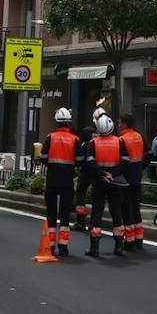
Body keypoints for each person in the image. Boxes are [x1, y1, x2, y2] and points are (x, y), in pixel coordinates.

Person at [40, 107, 82, 255]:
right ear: (68, 123)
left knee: (51, 213)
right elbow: (79, 160)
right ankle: (63, 246)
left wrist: (51, 164)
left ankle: (50, 246)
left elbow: (43, 157)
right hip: (67, 180)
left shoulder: (50, 137)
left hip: (52, 179)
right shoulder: (75, 139)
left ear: (57, 123)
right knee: (64, 213)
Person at [85, 115, 129, 258]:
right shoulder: (119, 142)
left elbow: (90, 163)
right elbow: (125, 162)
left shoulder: (93, 142)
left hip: (99, 181)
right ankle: (119, 247)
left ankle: (94, 247)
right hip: (114, 182)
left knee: (97, 212)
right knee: (116, 212)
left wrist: (102, 174)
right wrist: (113, 174)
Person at [118, 114, 148, 251]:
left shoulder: (122, 139)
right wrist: (141, 167)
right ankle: (139, 240)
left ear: (124, 124)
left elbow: (120, 160)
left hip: (125, 179)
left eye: (119, 123)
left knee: (126, 209)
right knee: (136, 208)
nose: (118, 125)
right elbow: (149, 153)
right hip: (137, 176)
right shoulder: (139, 136)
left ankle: (129, 241)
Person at [73, 105, 105, 231]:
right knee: (98, 196)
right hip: (100, 168)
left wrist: (78, 164)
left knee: (81, 192)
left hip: (87, 168)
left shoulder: (87, 131)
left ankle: (80, 222)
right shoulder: (109, 134)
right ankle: (94, 223)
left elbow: (80, 149)